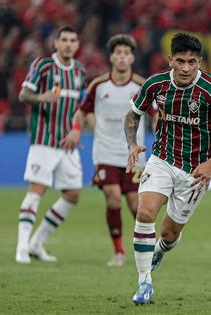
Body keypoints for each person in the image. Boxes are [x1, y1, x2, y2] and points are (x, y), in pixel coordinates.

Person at [123, 33, 211, 304]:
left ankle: (161, 250)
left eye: (193, 62)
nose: (187, 68)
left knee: (169, 234)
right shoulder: (155, 84)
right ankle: (144, 283)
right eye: (181, 61)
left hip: (196, 173)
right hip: (162, 160)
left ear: (199, 61)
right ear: (171, 60)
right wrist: (132, 143)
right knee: (144, 212)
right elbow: (133, 113)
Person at [61, 34, 158, 267]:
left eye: (126, 53)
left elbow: (155, 116)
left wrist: (161, 133)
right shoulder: (98, 85)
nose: (122, 57)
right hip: (104, 151)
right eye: (118, 53)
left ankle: (147, 247)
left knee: (136, 205)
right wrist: (76, 129)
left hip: (134, 153)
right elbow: (81, 111)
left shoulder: (142, 86)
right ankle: (118, 252)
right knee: (113, 198)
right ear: (112, 57)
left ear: (132, 57)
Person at [15, 25, 86, 264]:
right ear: (55, 43)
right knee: (37, 191)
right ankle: (22, 247)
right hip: (43, 141)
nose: (68, 44)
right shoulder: (43, 66)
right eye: (63, 39)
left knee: (73, 194)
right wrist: (40, 98)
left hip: (68, 143)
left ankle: (37, 242)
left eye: (72, 40)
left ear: (77, 45)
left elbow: (80, 109)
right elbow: (23, 95)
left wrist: (77, 131)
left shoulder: (79, 71)